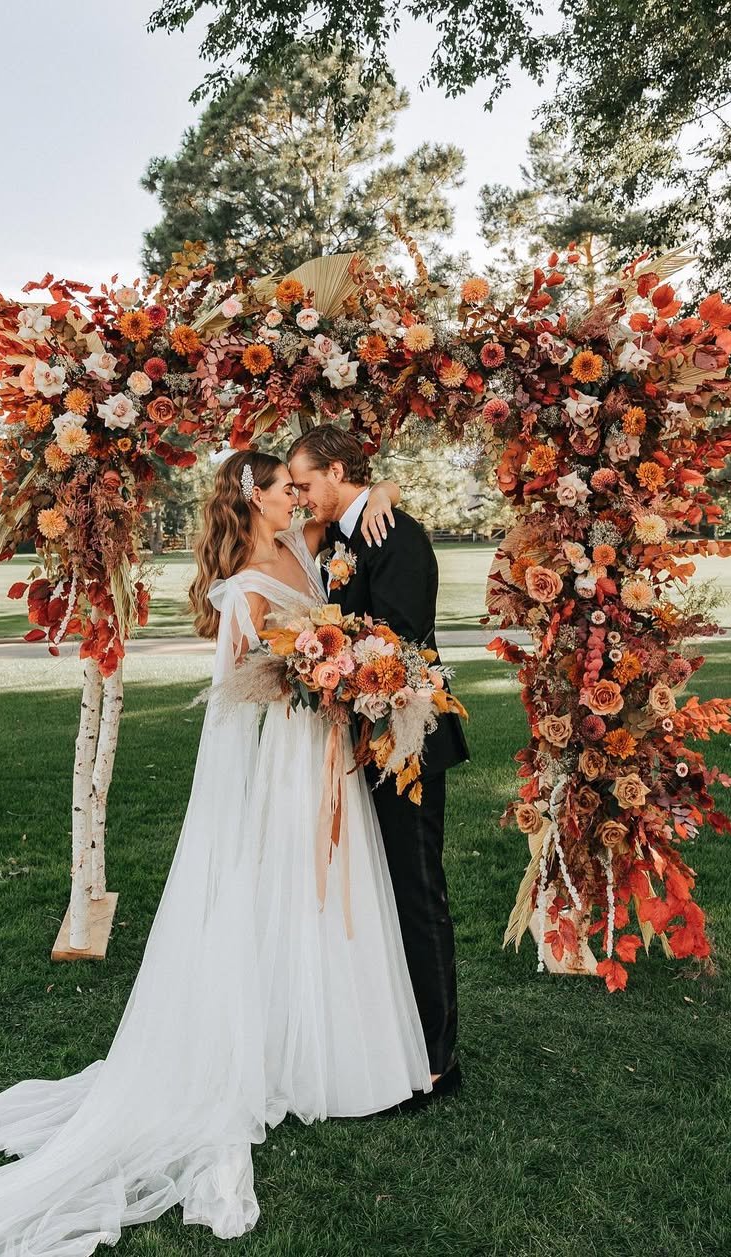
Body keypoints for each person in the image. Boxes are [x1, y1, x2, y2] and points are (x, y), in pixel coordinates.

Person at [0, 452, 429, 1254]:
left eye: (299, 483)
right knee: (284, 887)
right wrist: (323, 669)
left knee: (324, 894)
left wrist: (380, 498)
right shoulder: (244, 585)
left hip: (321, 751)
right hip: (284, 754)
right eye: (284, 485)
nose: (297, 492)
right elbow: (264, 676)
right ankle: (284, 1048)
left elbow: (356, 513)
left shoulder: (311, 544)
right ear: (255, 497)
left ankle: (328, 1040)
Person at [288, 425, 469, 1105]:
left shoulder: (400, 537)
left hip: (408, 738)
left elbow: (399, 643)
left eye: (307, 483)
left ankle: (436, 1059)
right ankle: (391, 1035)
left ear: (337, 470)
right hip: (365, 738)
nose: (303, 496)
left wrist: (326, 651)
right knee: (382, 893)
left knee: (419, 893)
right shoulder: (341, 537)